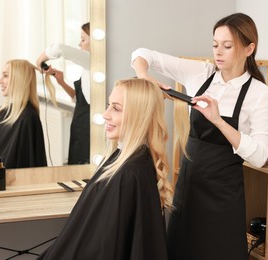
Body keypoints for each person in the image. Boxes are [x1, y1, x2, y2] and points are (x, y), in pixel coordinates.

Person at [131, 13, 268, 260]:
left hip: (224, 196)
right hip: (189, 188)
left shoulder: (260, 94)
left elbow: (260, 156)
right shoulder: (199, 73)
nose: (218, 52)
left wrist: (218, 120)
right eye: (215, 44)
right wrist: (144, 77)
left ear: (249, 48)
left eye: (227, 46)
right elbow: (142, 54)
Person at [37, 78, 173, 260]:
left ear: (139, 116)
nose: (105, 114)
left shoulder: (129, 172)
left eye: (116, 108)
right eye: (109, 105)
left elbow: (104, 245)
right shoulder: (125, 159)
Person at [0, 59, 48, 169]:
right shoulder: (1, 112)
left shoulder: (27, 118)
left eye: (5, 76)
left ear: (19, 79)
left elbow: (23, 163)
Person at [36, 22, 91, 165]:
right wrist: (61, 81)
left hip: (88, 129)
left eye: (83, 39)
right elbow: (79, 98)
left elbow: (58, 48)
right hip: (79, 125)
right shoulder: (87, 68)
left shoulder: (93, 61)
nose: (80, 44)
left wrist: (40, 60)